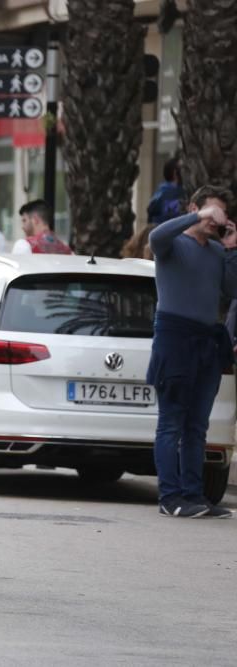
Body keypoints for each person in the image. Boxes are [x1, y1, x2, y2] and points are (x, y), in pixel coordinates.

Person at [147, 185, 236, 519]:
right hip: (174, 338)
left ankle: (194, 496)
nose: (216, 220)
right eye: (211, 211)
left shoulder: (215, 251)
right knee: (171, 423)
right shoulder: (173, 245)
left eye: (220, 214)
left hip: (206, 343)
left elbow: (231, 289)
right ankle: (170, 497)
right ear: (195, 207)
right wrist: (198, 216)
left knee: (197, 425)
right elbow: (156, 236)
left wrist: (231, 249)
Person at [147, 158, 187, 226]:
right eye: (182, 169)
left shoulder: (160, 193)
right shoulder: (169, 195)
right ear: (175, 172)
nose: (185, 172)